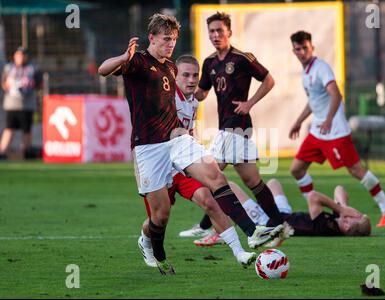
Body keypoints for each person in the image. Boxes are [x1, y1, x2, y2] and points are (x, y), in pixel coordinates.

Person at [98, 14, 283, 275]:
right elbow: (102, 69)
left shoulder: (171, 67)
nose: (170, 44)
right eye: (166, 39)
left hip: (177, 140)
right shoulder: (137, 61)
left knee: (215, 176)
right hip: (148, 148)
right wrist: (123, 58)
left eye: (173, 39)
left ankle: (253, 233)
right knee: (160, 216)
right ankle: (157, 253)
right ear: (151, 38)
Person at [137, 55, 280, 269]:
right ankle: (145, 241)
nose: (192, 80)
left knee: (211, 200)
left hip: (182, 167)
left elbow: (188, 131)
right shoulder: (165, 96)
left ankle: (241, 251)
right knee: (158, 220)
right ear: (174, 76)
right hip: (158, 166)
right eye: (185, 75)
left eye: (195, 75)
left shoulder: (193, 101)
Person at [187, 11, 285, 237]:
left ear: (229, 32)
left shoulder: (242, 58)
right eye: (211, 31)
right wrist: (187, 91)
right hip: (229, 128)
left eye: (219, 30)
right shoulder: (209, 62)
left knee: (210, 174)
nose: (215, 35)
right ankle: (279, 222)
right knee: (252, 180)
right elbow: (202, 93)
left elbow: (269, 80)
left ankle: (206, 227)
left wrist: (250, 103)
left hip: (237, 124)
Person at [288, 30, 385, 228]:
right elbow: (313, 102)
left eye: (305, 47)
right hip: (318, 132)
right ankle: (314, 209)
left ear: (311, 47)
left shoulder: (321, 68)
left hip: (335, 132)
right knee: (296, 169)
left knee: (356, 170)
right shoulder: (306, 73)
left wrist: (329, 120)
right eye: (298, 49)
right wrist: (298, 121)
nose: (302, 52)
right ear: (294, 51)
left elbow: (336, 95)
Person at [195, 178, 371, 247]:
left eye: (355, 217)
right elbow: (339, 188)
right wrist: (345, 208)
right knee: (273, 184)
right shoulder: (338, 221)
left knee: (229, 186)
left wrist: (341, 209)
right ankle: (218, 225)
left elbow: (313, 197)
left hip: (270, 222)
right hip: (284, 215)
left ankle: (219, 232)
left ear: (347, 226)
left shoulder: (325, 226)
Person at [0, 47, 41, 159]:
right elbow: (4, 84)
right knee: (9, 128)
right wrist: (10, 86)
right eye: (18, 55)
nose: (20, 58)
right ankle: (3, 151)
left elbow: (39, 84)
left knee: (26, 129)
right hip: (12, 104)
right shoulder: (9, 68)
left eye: (22, 55)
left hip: (26, 105)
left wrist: (28, 85)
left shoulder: (33, 68)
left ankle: (26, 152)